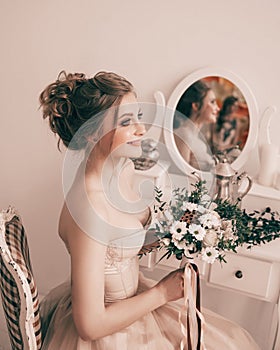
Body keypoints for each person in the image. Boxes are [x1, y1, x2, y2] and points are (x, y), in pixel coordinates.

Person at [39, 71, 260, 349]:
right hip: (109, 330)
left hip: (133, 302)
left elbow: (119, 242)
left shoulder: (123, 172)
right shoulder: (88, 210)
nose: (141, 130)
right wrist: (162, 293)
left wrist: (178, 232)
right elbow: (90, 325)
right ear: (93, 132)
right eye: (126, 122)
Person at [173, 80, 220, 171]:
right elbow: (182, 175)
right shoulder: (184, 134)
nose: (217, 108)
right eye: (213, 102)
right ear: (196, 106)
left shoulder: (197, 138)